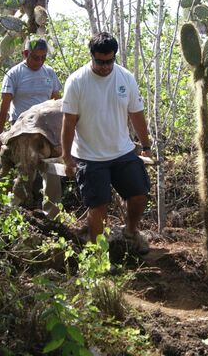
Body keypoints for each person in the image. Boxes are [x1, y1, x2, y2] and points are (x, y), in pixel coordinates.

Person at [60, 32, 152, 254]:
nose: (105, 66)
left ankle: (130, 232)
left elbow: (137, 115)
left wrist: (146, 145)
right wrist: (67, 156)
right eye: (100, 61)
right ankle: (98, 257)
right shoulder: (77, 81)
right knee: (99, 205)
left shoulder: (126, 78)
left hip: (122, 151)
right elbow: (68, 122)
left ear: (114, 57)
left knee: (139, 193)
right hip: (89, 155)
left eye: (109, 61)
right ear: (91, 56)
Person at [0, 37, 63, 217]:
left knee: (52, 169)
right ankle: (9, 210)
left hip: (47, 130)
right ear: (25, 54)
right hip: (22, 129)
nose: (39, 61)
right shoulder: (14, 74)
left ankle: (52, 214)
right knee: (25, 171)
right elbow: (4, 107)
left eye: (43, 57)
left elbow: (57, 103)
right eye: (35, 57)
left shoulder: (49, 73)